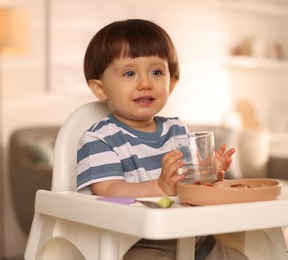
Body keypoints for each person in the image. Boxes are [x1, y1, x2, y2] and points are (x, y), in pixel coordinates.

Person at [77, 19, 248, 260]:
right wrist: (159, 188)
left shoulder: (176, 130)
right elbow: (107, 191)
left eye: (157, 72)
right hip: (137, 244)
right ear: (100, 88)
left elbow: (189, 184)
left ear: (172, 82)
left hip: (195, 238)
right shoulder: (99, 138)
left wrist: (210, 173)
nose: (145, 83)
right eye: (129, 73)